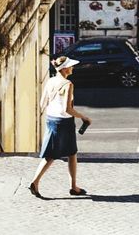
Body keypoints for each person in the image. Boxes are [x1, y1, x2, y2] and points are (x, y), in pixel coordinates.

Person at [29, 55, 92, 198]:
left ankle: (73, 186)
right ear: (64, 69)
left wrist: (52, 112)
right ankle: (35, 182)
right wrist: (84, 117)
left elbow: (42, 104)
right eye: (70, 66)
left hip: (52, 120)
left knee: (71, 153)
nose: (72, 67)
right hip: (64, 123)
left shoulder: (50, 81)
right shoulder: (68, 84)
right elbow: (67, 109)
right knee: (53, 155)